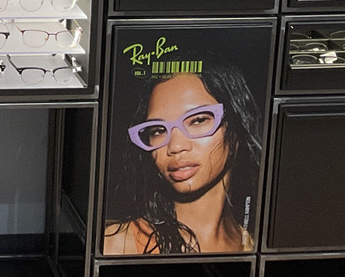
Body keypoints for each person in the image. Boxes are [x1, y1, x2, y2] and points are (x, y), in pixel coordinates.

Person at [102, 64, 262, 255]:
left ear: (236, 124)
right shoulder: (116, 244)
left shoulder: (255, 246)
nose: (176, 146)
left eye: (198, 120)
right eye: (158, 130)